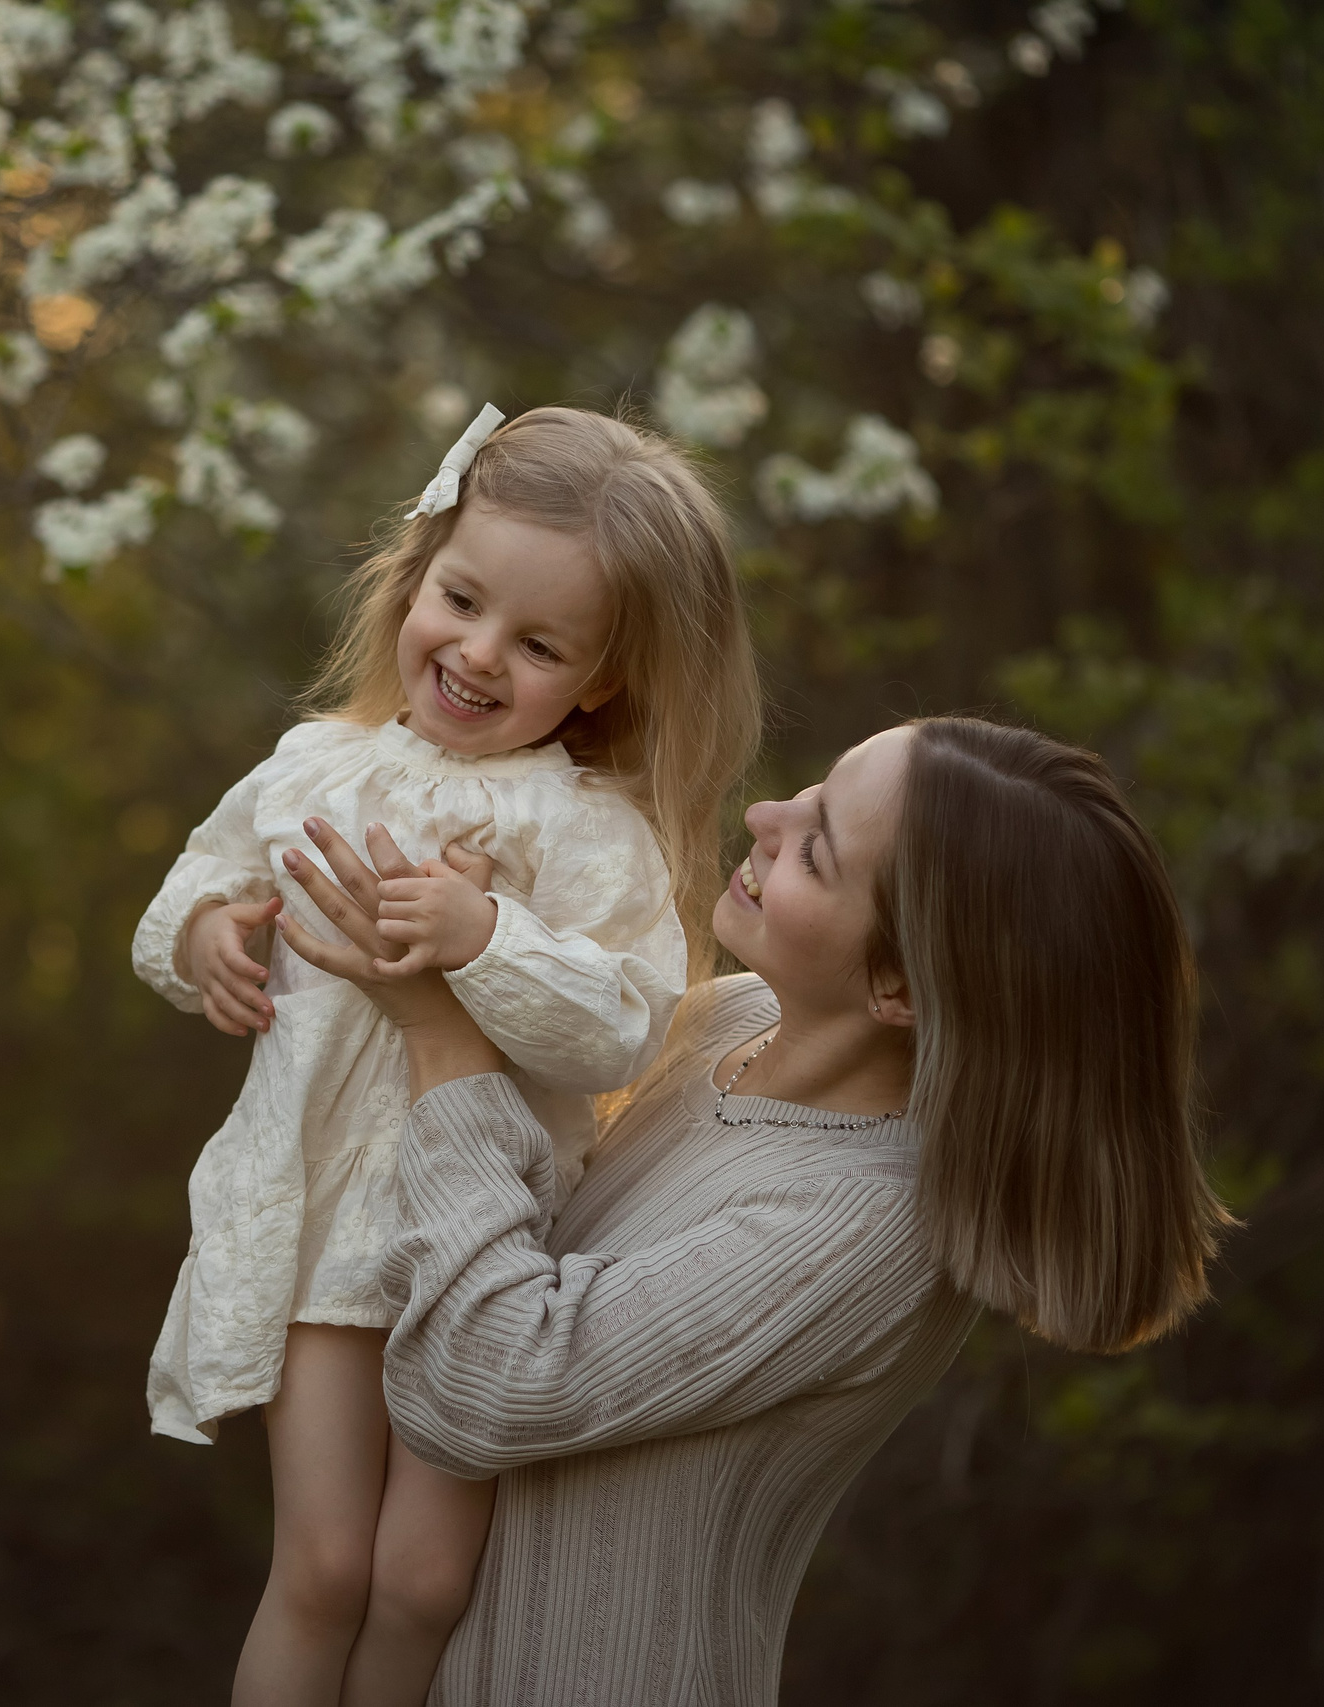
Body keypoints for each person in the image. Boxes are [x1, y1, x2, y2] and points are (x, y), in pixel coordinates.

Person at [273, 716, 1231, 1706]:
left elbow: (482, 1384)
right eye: (807, 796)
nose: (762, 815)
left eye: (812, 850)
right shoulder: (728, 1020)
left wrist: (442, 1038)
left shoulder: (864, 1227)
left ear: (897, 983)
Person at [129, 404, 761, 1705]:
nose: (476, 653)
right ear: (414, 576)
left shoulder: (593, 836)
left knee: (421, 1581)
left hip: (482, 1244)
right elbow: (199, 873)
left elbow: (625, 1023)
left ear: (600, 680)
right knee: (321, 1566)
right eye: (460, 599)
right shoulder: (318, 766)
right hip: (326, 1235)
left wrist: (484, 935)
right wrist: (200, 934)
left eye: (537, 644)